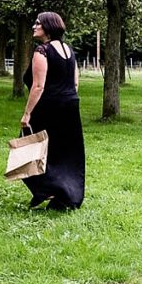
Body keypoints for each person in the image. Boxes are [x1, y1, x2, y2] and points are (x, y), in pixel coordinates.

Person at [20, 11, 85, 210]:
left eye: (37, 23)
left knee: (30, 148)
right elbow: (74, 83)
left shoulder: (43, 51)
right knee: (65, 153)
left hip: (49, 107)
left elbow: (38, 86)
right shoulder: (68, 50)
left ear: (47, 27)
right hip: (70, 106)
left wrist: (27, 114)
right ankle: (65, 196)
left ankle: (45, 190)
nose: (34, 26)